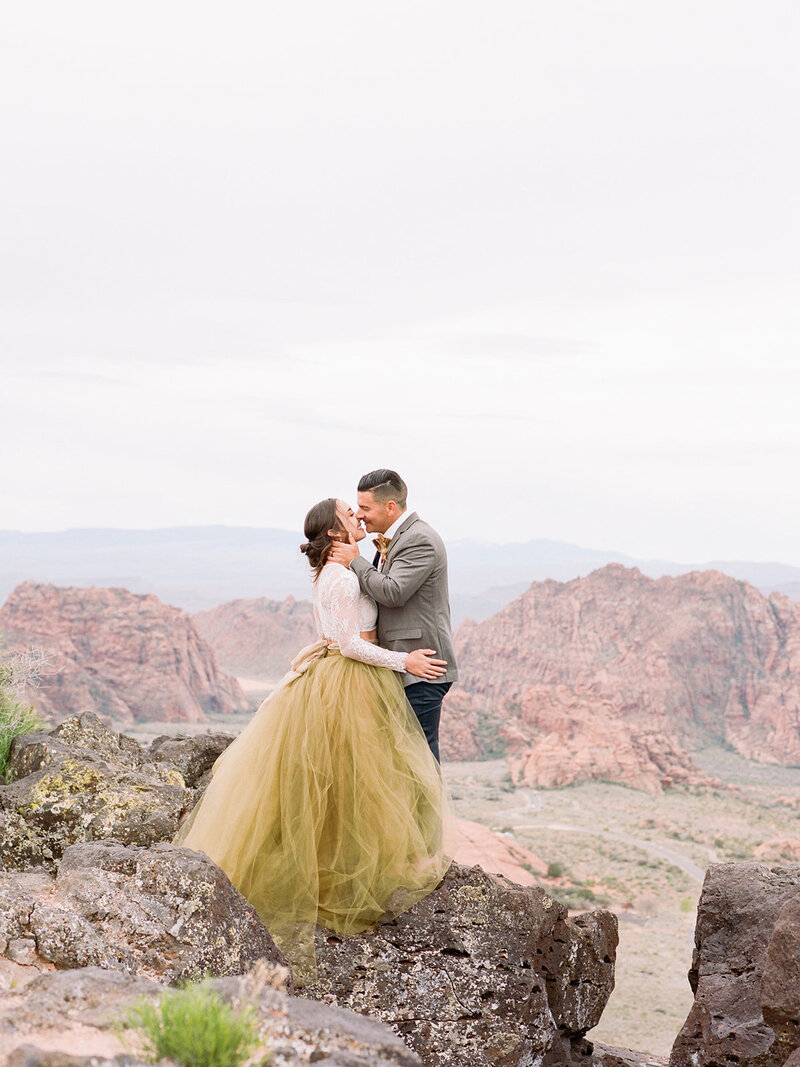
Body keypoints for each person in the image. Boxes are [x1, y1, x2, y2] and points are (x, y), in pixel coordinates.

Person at [174, 496, 452, 981]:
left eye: (359, 509)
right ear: (336, 532)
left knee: (348, 778)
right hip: (352, 681)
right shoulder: (341, 577)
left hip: (345, 677)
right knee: (357, 778)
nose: (358, 516)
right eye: (349, 513)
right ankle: (348, 876)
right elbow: (349, 643)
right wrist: (403, 661)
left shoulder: (336, 570)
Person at [329, 469, 458, 762]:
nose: (359, 515)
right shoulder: (396, 538)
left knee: (419, 760)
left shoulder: (419, 539)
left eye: (365, 507)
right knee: (400, 760)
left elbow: (393, 592)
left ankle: (428, 796)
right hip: (403, 665)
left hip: (422, 666)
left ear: (390, 507)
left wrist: (356, 561)